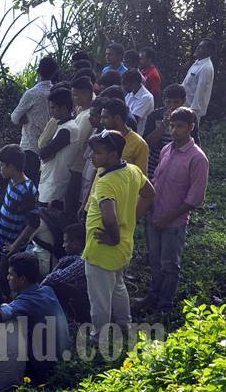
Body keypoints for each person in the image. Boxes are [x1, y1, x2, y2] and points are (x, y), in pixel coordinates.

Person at [0, 252, 70, 385]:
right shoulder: (46, 290)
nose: (8, 277)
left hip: (45, 367)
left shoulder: (25, 302)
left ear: (22, 279)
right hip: (64, 359)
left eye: (11, 275)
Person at [135, 107, 209, 313]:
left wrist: (168, 217)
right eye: (172, 126)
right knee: (154, 260)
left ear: (190, 128)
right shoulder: (167, 149)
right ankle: (154, 294)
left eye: (180, 126)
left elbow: (195, 198)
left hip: (174, 222)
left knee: (170, 264)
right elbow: (156, 181)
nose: (175, 130)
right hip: (155, 215)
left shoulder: (198, 158)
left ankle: (165, 304)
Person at [82, 131, 155, 338]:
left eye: (97, 153)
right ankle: (124, 324)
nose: (92, 156)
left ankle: (99, 336)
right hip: (123, 245)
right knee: (118, 288)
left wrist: (112, 238)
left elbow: (110, 217)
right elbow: (150, 194)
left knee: (100, 297)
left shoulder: (106, 182)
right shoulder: (132, 170)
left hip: (103, 249)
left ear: (113, 154)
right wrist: (132, 218)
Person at [0, 145, 39, 299]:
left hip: (10, 247)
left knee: (6, 279)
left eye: (2, 165)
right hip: (0, 241)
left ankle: (7, 304)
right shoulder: (11, 182)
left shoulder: (28, 190)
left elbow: (33, 223)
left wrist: (15, 246)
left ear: (12, 166)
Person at [11, 56, 57, 182]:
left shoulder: (32, 93)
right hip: (50, 147)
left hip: (30, 146)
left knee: (26, 184)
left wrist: (24, 118)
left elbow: (14, 117)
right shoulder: (56, 92)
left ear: (38, 71)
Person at [142, 84, 199, 178]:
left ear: (183, 101)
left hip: (180, 165)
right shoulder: (155, 115)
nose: (172, 106)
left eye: (176, 102)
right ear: (163, 101)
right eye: (168, 102)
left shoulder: (190, 117)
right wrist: (163, 126)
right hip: (155, 165)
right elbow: (146, 143)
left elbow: (195, 142)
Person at [38, 87, 80, 209]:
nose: (51, 112)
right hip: (51, 180)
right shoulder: (63, 126)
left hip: (55, 183)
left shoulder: (68, 129)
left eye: (54, 108)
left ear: (64, 108)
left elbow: (44, 153)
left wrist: (47, 149)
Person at [42, 223, 89, 323]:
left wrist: (42, 285)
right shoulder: (72, 257)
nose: (63, 245)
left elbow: (60, 277)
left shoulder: (82, 260)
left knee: (56, 285)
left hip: (86, 302)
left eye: (65, 242)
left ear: (75, 243)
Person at [68, 76, 95, 213]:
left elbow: (76, 144)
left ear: (86, 94)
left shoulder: (87, 117)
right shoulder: (82, 110)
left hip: (77, 168)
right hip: (77, 167)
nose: (74, 98)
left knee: (70, 205)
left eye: (76, 95)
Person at [100, 98, 149, 175]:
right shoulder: (104, 135)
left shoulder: (139, 144)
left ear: (117, 118)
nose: (101, 121)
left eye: (105, 118)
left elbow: (140, 178)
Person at [182, 39, 216, 120]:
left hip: (190, 112)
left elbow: (200, 93)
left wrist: (192, 113)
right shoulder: (197, 63)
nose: (197, 48)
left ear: (209, 51)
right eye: (198, 46)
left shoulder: (206, 68)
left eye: (201, 47)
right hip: (183, 108)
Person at [123, 69, 154, 135]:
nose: (124, 87)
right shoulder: (130, 94)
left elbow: (132, 121)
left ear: (135, 83)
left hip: (139, 136)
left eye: (126, 84)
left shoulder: (146, 97)